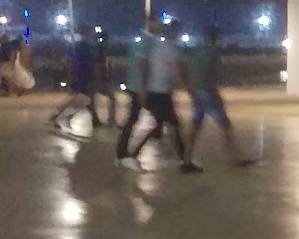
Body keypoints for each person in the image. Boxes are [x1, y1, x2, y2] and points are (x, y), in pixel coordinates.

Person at [131, 21, 193, 172]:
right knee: (170, 125)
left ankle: (183, 159)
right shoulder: (170, 49)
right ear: (175, 33)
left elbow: (145, 65)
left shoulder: (156, 46)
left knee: (166, 124)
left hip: (155, 90)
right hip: (161, 92)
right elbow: (177, 71)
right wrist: (188, 89)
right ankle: (183, 160)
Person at [185, 26, 248, 164]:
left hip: (197, 92)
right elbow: (213, 73)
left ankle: (187, 159)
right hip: (208, 92)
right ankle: (236, 156)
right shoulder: (213, 53)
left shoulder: (197, 54)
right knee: (225, 125)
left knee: (195, 126)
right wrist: (215, 92)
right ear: (215, 39)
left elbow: (191, 71)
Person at [51, 30, 114, 129]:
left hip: (82, 76)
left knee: (83, 99)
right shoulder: (90, 48)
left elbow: (73, 60)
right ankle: (60, 117)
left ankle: (60, 116)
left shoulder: (84, 47)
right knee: (82, 100)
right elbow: (95, 63)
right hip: (85, 76)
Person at [115, 18, 156, 167]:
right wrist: (143, 88)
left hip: (135, 86)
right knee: (137, 119)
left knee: (135, 119)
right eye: (158, 23)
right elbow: (143, 65)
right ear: (150, 23)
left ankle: (123, 153)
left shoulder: (138, 41)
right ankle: (123, 154)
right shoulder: (147, 42)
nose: (160, 27)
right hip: (140, 87)